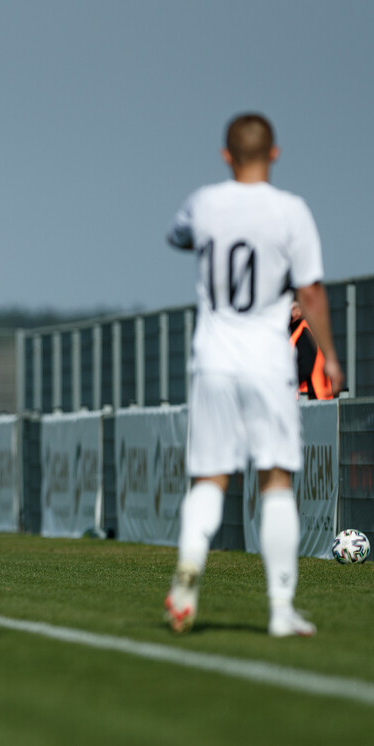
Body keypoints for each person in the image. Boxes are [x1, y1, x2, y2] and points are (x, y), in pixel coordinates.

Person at [163, 113, 343, 637]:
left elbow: (178, 236)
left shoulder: (204, 203)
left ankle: (191, 562)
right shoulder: (291, 212)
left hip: (214, 357)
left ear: (225, 155)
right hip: (267, 360)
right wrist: (328, 353)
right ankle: (281, 607)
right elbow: (310, 291)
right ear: (275, 154)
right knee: (276, 480)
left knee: (211, 477)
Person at [289, 301, 332, 399]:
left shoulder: (305, 332)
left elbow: (304, 367)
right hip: (306, 397)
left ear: (299, 310)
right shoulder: (296, 331)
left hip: (311, 397)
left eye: (291, 309)